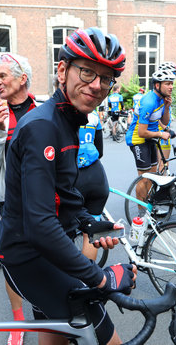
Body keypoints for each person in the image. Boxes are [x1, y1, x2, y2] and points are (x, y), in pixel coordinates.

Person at [0, 28, 136, 345]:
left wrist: (90, 222)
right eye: (87, 71)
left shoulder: (68, 119)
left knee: (55, 333)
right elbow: (40, 224)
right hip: (28, 254)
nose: (97, 85)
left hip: (46, 248)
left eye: (106, 78)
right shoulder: (44, 127)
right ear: (62, 71)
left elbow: (64, 194)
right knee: (97, 326)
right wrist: (101, 278)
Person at [0, 53, 36, 345]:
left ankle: (46, 312)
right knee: (11, 263)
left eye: (2, 76)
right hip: (9, 202)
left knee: (48, 259)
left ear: (22, 78)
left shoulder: (45, 110)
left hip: (44, 203)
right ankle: (18, 321)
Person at [126, 69, 174, 205]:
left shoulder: (162, 99)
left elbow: (164, 122)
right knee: (144, 178)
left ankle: (149, 206)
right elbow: (141, 132)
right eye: (167, 84)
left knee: (153, 176)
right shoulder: (149, 102)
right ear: (157, 85)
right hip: (138, 139)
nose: (171, 87)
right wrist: (160, 133)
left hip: (150, 138)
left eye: (172, 83)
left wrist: (166, 106)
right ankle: (141, 215)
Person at [76, 109, 109, 260]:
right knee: (91, 233)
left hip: (73, 177)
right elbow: (100, 151)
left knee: (63, 231)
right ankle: (87, 280)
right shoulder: (94, 115)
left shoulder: (60, 113)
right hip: (96, 176)